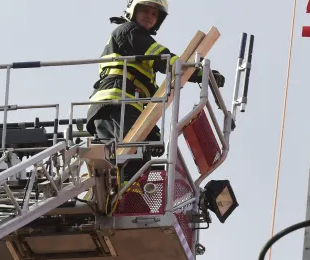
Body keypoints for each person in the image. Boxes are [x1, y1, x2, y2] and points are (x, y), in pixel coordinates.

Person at [85, 0, 225, 212]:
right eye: (144, 10)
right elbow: (163, 59)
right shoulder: (128, 32)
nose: (150, 16)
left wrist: (153, 133)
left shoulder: (135, 40)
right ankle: (126, 202)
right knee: (131, 154)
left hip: (126, 108)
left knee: (144, 151)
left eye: (154, 13)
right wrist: (197, 73)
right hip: (114, 105)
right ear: (132, 11)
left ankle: (130, 199)